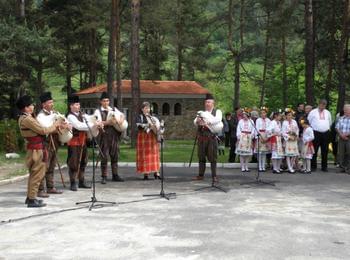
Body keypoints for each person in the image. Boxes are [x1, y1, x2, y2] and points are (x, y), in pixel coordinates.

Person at [16, 95, 66, 207]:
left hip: (34, 148)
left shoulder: (24, 117)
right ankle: (32, 199)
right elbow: (43, 130)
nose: (33, 106)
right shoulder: (27, 119)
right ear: (26, 108)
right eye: (31, 105)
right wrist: (56, 125)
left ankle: (30, 197)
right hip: (36, 150)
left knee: (35, 174)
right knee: (37, 174)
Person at [66, 95, 103, 191]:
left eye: (79, 104)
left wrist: (97, 120)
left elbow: (89, 118)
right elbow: (79, 126)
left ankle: (81, 181)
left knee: (83, 162)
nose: (78, 106)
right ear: (71, 106)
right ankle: (73, 182)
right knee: (73, 163)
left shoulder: (81, 114)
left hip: (83, 142)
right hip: (74, 142)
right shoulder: (70, 116)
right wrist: (93, 124)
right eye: (76, 104)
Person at [36, 92, 65, 196]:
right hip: (46, 144)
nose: (52, 104)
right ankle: (40, 189)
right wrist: (56, 127)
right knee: (44, 166)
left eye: (52, 102)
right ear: (44, 105)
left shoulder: (55, 113)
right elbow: (45, 129)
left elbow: (59, 124)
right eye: (49, 102)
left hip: (55, 142)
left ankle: (50, 187)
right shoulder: (40, 116)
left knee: (52, 165)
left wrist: (63, 126)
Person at [94, 92, 124, 184]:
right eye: (104, 101)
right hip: (104, 136)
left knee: (115, 156)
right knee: (104, 156)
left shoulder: (113, 109)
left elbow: (122, 115)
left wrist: (120, 121)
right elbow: (98, 123)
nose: (106, 103)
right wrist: (108, 122)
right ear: (100, 102)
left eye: (107, 101)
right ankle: (104, 176)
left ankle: (115, 175)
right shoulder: (98, 111)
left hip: (114, 136)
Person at [192, 94, 222, 182]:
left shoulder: (217, 112)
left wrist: (206, 121)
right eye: (206, 102)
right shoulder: (201, 112)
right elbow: (195, 121)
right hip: (201, 138)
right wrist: (198, 121)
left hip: (211, 138)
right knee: (201, 157)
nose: (207, 103)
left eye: (209, 102)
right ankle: (200, 175)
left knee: (213, 157)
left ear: (213, 103)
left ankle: (214, 176)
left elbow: (218, 120)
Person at [136, 102, 162, 180]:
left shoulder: (153, 117)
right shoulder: (139, 116)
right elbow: (139, 126)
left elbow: (159, 125)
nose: (147, 110)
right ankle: (146, 174)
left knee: (154, 155)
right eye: (145, 108)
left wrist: (156, 126)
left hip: (152, 137)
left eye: (148, 108)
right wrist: (148, 125)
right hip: (143, 137)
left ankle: (156, 173)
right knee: (144, 155)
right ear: (142, 109)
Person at [307, 99, 332, 171]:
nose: (323, 106)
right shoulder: (313, 112)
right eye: (322, 104)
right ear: (319, 104)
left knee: (325, 150)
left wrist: (325, 128)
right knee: (314, 150)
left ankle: (324, 167)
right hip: (316, 133)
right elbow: (309, 121)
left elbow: (329, 122)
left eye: (324, 105)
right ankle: (313, 166)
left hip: (325, 133)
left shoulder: (327, 112)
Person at [255, 107, 271, 172]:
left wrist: (267, 137)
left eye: (264, 113)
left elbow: (270, 129)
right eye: (261, 113)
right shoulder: (258, 120)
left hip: (266, 136)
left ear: (266, 113)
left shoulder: (268, 120)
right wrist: (260, 137)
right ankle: (259, 166)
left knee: (264, 152)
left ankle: (263, 166)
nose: (262, 114)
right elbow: (257, 128)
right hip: (260, 136)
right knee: (260, 152)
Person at [335, 104, 350, 174]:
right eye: (345, 110)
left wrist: (346, 135)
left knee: (349, 153)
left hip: (349, 138)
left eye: (347, 110)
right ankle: (342, 167)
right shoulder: (341, 118)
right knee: (341, 153)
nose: (346, 111)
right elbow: (337, 127)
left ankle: (348, 168)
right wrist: (341, 135)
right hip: (341, 138)